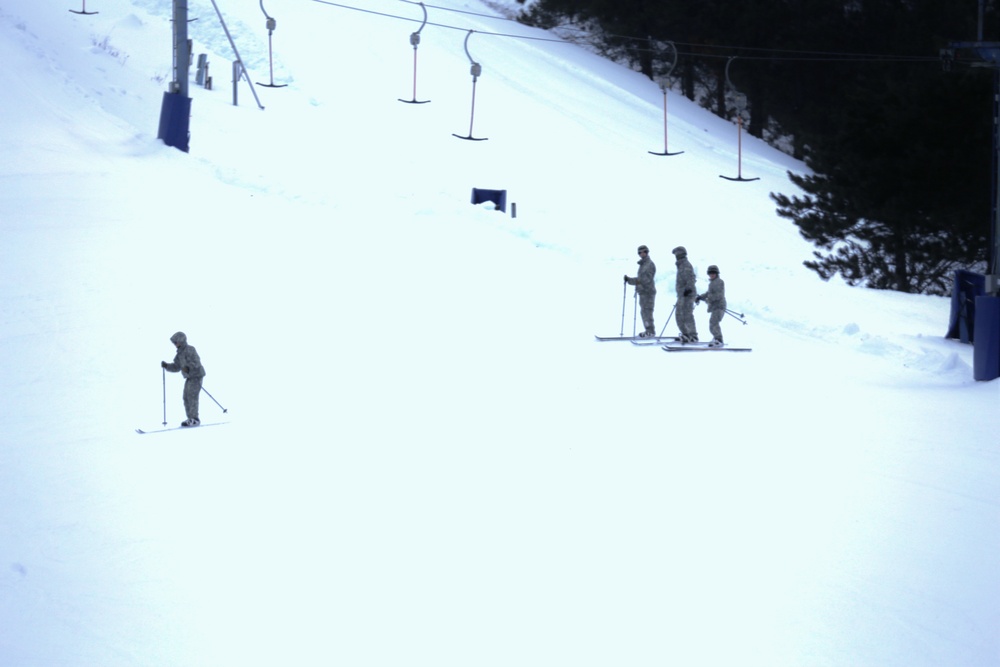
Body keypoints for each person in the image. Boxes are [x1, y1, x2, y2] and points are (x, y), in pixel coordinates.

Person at [161, 331, 206, 427]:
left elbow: (197, 362)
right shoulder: (179, 355)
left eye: (176, 342)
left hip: (196, 375)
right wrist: (167, 366)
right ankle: (190, 418)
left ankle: (194, 418)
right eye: (174, 343)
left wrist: (189, 367)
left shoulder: (190, 349)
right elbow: (176, 367)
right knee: (185, 397)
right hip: (189, 377)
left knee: (191, 396)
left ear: (181, 340)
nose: (175, 344)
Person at [624, 244, 657, 337]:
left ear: (647, 252)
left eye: (644, 252)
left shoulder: (649, 264)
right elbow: (641, 279)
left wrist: (634, 283)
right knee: (644, 312)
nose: (642, 254)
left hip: (648, 292)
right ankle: (648, 330)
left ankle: (650, 331)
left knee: (647, 311)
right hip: (643, 293)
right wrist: (629, 280)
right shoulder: (643, 265)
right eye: (640, 252)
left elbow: (646, 279)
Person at [696, 265, 727, 347]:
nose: (712, 274)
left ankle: (719, 340)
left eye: (713, 273)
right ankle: (716, 338)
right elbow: (708, 293)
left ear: (717, 273)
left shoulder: (719, 282)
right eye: (710, 273)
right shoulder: (712, 283)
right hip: (715, 306)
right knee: (713, 323)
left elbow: (719, 295)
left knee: (713, 322)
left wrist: (708, 299)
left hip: (719, 306)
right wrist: (700, 297)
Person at [672, 246, 698, 342]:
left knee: (687, 314)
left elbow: (691, 278)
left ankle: (693, 336)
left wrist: (688, 289)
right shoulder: (680, 265)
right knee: (679, 314)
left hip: (688, 294)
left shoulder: (686, 265)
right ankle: (686, 334)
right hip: (681, 295)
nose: (676, 257)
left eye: (677, 254)